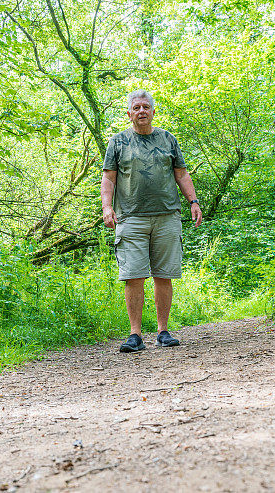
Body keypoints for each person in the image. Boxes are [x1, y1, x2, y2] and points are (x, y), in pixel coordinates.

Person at [101, 90, 202, 353]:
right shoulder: (118, 141)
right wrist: (106, 207)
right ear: (129, 113)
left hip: (167, 215)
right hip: (131, 217)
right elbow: (109, 178)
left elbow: (181, 173)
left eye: (146, 106)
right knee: (133, 275)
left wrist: (193, 202)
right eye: (137, 107)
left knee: (164, 274)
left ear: (153, 111)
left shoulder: (167, 139)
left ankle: (163, 331)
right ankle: (135, 335)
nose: (142, 111)